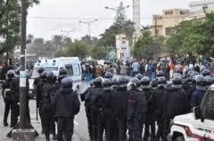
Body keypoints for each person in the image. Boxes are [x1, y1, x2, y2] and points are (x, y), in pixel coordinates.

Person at [42, 71, 57, 141]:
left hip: (44, 106)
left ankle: (47, 138)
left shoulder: (44, 86)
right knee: (52, 122)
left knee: (46, 122)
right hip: (50, 106)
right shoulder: (53, 87)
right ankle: (53, 135)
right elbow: (52, 98)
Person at [141, 76, 155, 141]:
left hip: (143, 111)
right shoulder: (152, 91)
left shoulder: (140, 92)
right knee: (152, 124)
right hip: (151, 110)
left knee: (145, 125)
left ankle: (145, 137)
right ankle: (153, 137)